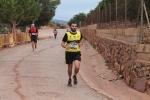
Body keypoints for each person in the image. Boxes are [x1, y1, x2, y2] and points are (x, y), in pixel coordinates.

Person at [61, 22, 83, 86]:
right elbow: (62, 43)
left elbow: (81, 39)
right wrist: (66, 46)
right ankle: (69, 79)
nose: (74, 27)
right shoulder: (67, 34)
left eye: (75, 26)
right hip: (69, 53)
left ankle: (75, 75)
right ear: (70, 27)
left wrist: (81, 43)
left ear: (77, 27)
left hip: (77, 52)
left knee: (77, 66)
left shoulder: (79, 33)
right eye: (73, 26)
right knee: (70, 68)